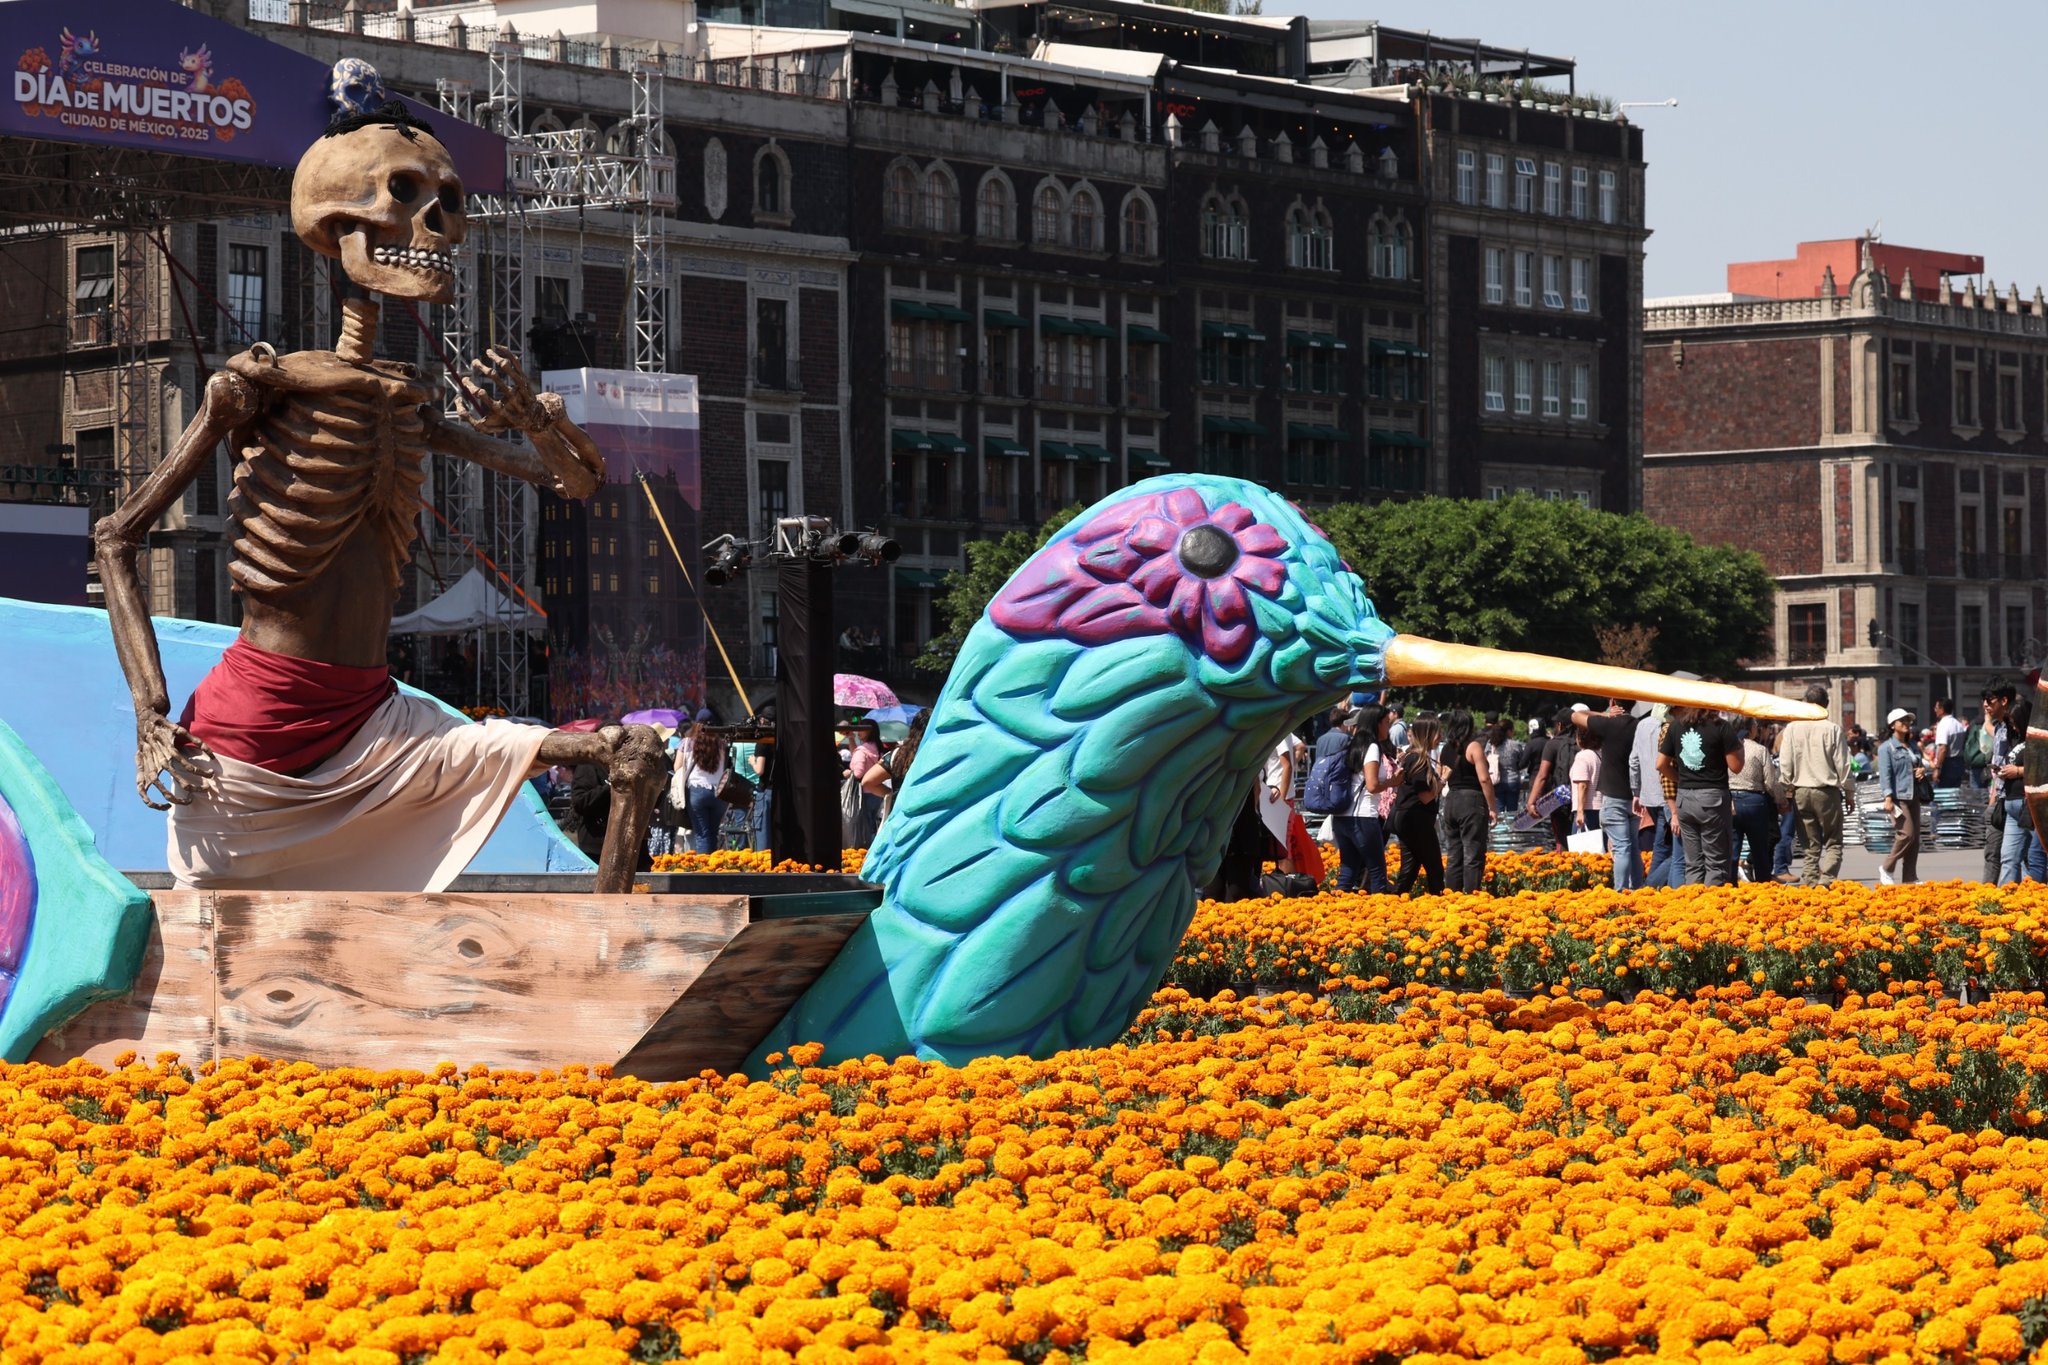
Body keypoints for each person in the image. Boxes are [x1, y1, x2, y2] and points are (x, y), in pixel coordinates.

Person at [1775, 684, 1855, 885]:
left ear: (1804, 704)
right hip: (1827, 792)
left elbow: (1785, 764)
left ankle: (1810, 882)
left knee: (1809, 844)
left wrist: (1785, 790)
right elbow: (1843, 765)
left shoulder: (1792, 728)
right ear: (1826, 705)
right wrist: (1849, 793)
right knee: (1833, 841)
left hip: (1801, 791)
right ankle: (1826, 880)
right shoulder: (1833, 729)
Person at [1659, 704, 1742, 886]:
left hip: (1685, 799)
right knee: (1716, 863)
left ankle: (1693, 908)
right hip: (1712, 799)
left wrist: (1681, 779)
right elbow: (1736, 766)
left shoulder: (1676, 726)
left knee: (1693, 864)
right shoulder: (1720, 726)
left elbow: (1661, 764)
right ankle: (1711, 910)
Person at [1573, 699, 1643, 890]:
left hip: (1613, 796)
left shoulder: (1608, 724)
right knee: (1633, 847)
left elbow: (1574, 715)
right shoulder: (1639, 726)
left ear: (1612, 702)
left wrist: (1605, 714)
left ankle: (1620, 891)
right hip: (1636, 797)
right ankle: (1637, 888)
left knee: (1621, 847)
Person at [1332, 705, 1394, 893]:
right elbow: (1372, 785)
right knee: (1377, 872)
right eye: (1386, 723)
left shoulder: (1352, 745)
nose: (1388, 728)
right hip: (1364, 817)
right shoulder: (1372, 747)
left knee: (1347, 871)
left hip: (1342, 817)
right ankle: (1381, 915)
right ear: (1376, 724)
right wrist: (1394, 781)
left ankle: (1336, 914)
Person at [1439, 710, 1496, 894]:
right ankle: (1471, 896)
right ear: (1469, 726)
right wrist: (1492, 807)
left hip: (1451, 800)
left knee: (1454, 853)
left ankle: (1451, 896)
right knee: (1473, 853)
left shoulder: (1445, 749)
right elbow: (1484, 779)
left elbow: (1442, 775)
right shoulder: (1474, 747)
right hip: (1471, 800)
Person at [1631, 703, 1684, 888]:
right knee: (1677, 852)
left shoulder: (1642, 725)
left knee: (1661, 848)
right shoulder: (1672, 727)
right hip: (1667, 795)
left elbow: (1634, 760)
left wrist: (1636, 791)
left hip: (1648, 794)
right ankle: (1649, 888)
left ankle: (1652, 890)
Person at [1391, 717, 1445, 896]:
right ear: (1427, 735)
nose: (1440, 737)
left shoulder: (1414, 757)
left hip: (1409, 819)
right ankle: (1438, 904)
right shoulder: (1418, 760)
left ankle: (1395, 900)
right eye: (1437, 733)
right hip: (1415, 820)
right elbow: (1425, 796)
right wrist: (1443, 780)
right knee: (1434, 868)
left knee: (1410, 868)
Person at [1728, 718, 1786, 884]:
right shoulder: (1759, 750)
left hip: (1730, 801)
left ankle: (1730, 888)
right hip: (1754, 801)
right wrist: (1781, 800)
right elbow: (1770, 782)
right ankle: (1763, 887)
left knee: (1733, 849)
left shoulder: (1726, 748)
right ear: (1750, 729)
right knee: (1760, 850)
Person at [1876, 707, 1926, 886]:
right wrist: (1887, 797)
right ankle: (1887, 867)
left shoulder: (1912, 745)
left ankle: (1910, 877)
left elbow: (1919, 764)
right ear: (1892, 725)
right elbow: (1885, 773)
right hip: (1898, 797)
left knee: (1915, 839)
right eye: (1902, 721)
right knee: (1906, 834)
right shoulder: (1886, 748)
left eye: (1908, 721)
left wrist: (1921, 770)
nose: (1906, 724)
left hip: (1914, 793)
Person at [862, 707, 931, 831]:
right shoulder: (939, 753)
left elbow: (868, 781)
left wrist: (890, 793)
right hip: (930, 819)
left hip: (900, 820)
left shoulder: (898, 754)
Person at [1998, 697, 2042, 884]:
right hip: (2012, 805)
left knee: (2035, 858)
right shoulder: (2015, 738)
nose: (2013, 727)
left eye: (2016, 723)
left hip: (2030, 806)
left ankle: (2035, 901)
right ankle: (2006, 902)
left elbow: (2043, 768)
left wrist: (2017, 771)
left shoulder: (2038, 740)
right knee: (2008, 857)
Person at [672, 714, 729, 855]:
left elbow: (677, 767)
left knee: (702, 834)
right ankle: (714, 869)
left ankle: (704, 872)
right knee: (714, 834)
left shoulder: (686, 743)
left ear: (696, 723)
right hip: (719, 792)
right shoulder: (722, 743)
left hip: (696, 791)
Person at [1526, 710, 1578, 852]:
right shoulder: (1583, 742)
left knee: (1562, 841)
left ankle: (1564, 869)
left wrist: (1531, 801)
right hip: (1582, 799)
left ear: (1559, 725)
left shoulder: (1553, 744)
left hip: (1560, 800)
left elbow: (1542, 775)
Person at [1981, 682, 2018, 885]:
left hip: (2018, 800)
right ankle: (1987, 898)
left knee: (2013, 858)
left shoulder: (2018, 729)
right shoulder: (1999, 728)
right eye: (1984, 701)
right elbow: (1997, 766)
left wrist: (2018, 771)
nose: (1985, 704)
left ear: (2004, 701)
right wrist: (1992, 801)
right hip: (2000, 801)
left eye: (1989, 700)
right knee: (1993, 854)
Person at [841, 719, 884, 849]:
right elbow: (857, 754)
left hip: (863, 794)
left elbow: (858, 773)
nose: (858, 731)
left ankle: (865, 854)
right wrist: (851, 739)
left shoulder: (862, 751)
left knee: (864, 828)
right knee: (875, 825)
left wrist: (848, 772)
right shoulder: (877, 748)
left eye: (862, 728)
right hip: (877, 792)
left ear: (869, 731)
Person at [1490, 718, 1525, 820]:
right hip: (1512, 780)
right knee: (1512, 811)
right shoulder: (1515, 745)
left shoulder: (1492, 744)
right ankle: (1512, 831)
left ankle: (1499, 831)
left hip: (1496, 781)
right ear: (1509, 731)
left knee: (1499, 810)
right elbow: (1522, 762)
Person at [1931, 697, 1966, 790]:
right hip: (1959, 762)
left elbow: (1943, 748)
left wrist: (1937, 768)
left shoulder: (1943, 725)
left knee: (1943, 794)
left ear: (1942, 710)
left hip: (1947, 764)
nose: (1935, 710)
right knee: (1954, 794)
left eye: (1936, 708)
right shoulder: (1958, 725)